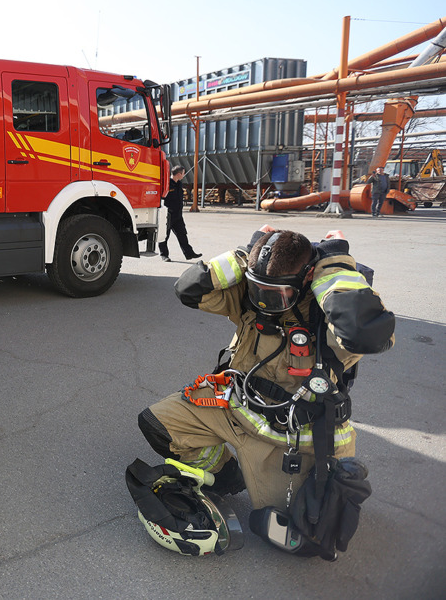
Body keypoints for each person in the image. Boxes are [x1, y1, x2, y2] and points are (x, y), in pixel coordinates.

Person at [134, 226, 394, 558]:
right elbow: (187, 288)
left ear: (306, 279)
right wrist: (245, 253)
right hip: (237, 406)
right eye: (257, 289)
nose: (262, 302)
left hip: (292, 438)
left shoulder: (325, 314)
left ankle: (263, 475)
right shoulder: (251, 295)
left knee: (304, 535)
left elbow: (364, 332)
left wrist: (336, 264)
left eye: (275, 295)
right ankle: (226, 474)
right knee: (157, 424)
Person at [158, 166, 201, 262]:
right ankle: (164, 255)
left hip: (178, 215)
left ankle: (189, 253)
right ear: (178, 174)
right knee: (164, 236)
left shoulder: (179, 184)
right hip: (168, 215)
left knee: (182, 234)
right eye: (183, 173)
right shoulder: (167, 184)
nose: (184, 175)